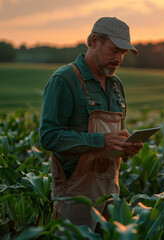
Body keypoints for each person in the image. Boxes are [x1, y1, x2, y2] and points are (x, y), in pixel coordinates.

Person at [39, 17, 143, 231]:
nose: (119, 59)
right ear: (94, 41)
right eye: (114, 50)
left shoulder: (116, 86)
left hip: (110, 193)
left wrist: (125, 147)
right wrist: (102, 141)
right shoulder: (65, 80)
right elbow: (49, 137)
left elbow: (112, 140)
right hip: (75, 197)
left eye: (123, 53)